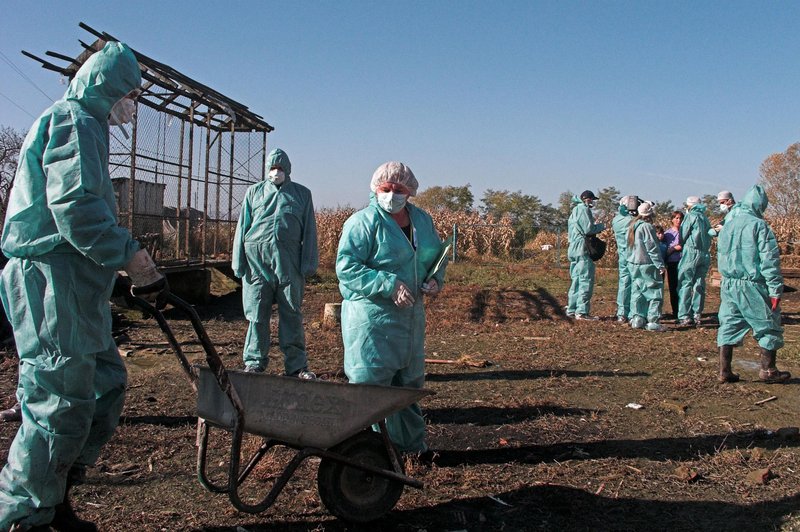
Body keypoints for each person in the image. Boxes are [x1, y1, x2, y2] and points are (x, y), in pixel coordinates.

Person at [0, 42, 168, 531]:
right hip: (51, 279)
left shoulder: (88, 124)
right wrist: (130, 255)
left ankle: (57, 493)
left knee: (105, 387)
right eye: (129, 93)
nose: (130, 105)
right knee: (58, 401)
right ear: (107, 85)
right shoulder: (74, 120)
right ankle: (25, 516)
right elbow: (75, 207)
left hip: (76, 284)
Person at [336, 161, 446, 455]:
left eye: (399, 189)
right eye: (386, 188)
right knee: (372, 390)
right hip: (373, 320)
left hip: (409, 320)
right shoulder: (362, 223)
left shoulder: (422, 221)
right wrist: (387, 284)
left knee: (406, 390)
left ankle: (411, 450)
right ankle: (373, 455)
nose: (392, 194)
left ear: (410, 191)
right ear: (376, 188)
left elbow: (436, 257)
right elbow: (347, 268)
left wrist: (435, 279)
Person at [232, 148, 318, 378]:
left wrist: (308, 263)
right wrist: (238, 261)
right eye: (272, 167)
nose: (276, 171)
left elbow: (309, 230)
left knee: (291, 313)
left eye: (280, 168)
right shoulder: (254, 193)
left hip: (288, 263)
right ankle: (254, 362)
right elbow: (242, 227)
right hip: (256, 263)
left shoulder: (301, 194)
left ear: (288, 170)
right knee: (257, 314)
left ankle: (297, 366)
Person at [716, 185, 790, 384]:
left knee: (729, 323)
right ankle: (769, 370)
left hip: (729, 283)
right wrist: (775, 289)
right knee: (767, 323)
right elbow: (769, 260)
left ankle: (725, 370)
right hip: (752, 284)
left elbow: (721, 255)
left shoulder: (728, 225)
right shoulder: (759, 226)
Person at [626, 202, 667, 332]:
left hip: (633, 263)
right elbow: (652, 247)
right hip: (646, 263)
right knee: (654, 291)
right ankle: (653, 321)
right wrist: (660, 265)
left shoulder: (632, 226)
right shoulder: (647, 227)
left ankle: (638, 318)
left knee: (638, 291)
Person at [566, 190, 605, 320]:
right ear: (587, 199)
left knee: (576, 280)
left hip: (573, 249)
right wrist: (601, 226)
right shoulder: (583, 210)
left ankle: (572, 309)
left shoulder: (574, 211)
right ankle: (582, 312)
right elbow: (588, 229)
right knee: (585, 280)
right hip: (582, 248)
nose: (593, 202)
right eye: (592, 199)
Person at [677, 196, 712, 326]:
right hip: (704, 253)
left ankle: (685, 316)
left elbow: (683, 234)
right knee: (699, 284)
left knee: (685, 283)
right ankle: (697, 314)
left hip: (691, 252)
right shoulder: (705, 218)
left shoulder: (690, 217)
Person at [612, 195, 639, 323]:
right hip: (633, 255)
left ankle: (621, 312)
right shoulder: (632, 220)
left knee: (624, 282)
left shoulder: (616, 220)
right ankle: (633, 312)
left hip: (622, 254)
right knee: (635, 283)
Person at [661, 211, 684, 319]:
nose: (678, 220)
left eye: (680, 218)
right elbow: (664, 248)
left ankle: (684, 310)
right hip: (672, 262)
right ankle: (675, 311)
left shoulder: (684, 232)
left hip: (683, 262)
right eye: (676, 218)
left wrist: (677, 248)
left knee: (683, 287)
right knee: (673, 287)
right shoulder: (668, 234)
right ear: (672, 219)